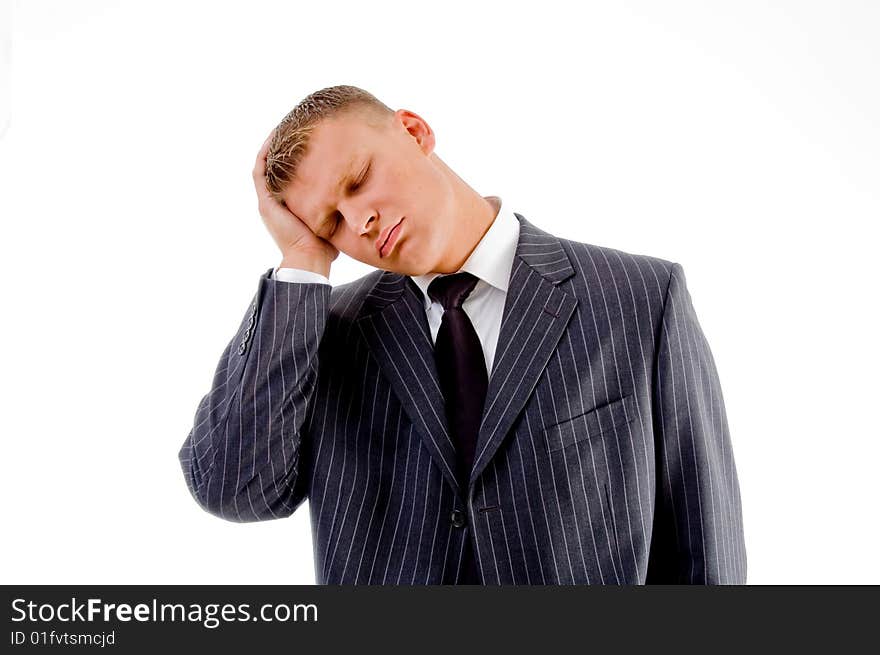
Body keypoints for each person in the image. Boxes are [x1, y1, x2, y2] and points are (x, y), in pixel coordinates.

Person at [177, 84, 747, 585]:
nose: (358, 223)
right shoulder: (324, 335)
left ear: (414, 131)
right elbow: (237, 488)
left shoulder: (639, 297)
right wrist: (302, 262)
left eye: (357, 181)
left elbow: (701, 544)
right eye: (329, 224)